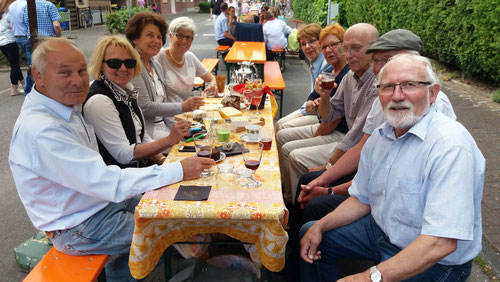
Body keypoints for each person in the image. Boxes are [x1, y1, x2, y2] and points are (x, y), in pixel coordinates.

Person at [9, 37, 215, 281]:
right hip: (77, 227)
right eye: (65, 73)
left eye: (81, 70)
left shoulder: (65, 105)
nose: (77, 80)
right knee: (172, 230)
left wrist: (167, 162)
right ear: (38, 75)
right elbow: (108, 177)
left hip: (99, 203)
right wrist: (177, 170)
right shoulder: (43, 129)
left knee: (175, 211)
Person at [300, 53, 484, 282]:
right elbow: (362, 198)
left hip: (436, 262)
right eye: (387, 87)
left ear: (433, 93)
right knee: (310, 231)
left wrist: (367, 277)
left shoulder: (451, 146)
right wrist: (321, 226)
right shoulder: (381, 136)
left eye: (409, 85)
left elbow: (441, 242)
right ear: (379, 95)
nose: (397, 96)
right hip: (382, 232)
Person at [294, 29, 457, 228]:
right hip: (379, 191)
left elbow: (388, 182)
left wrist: (328, 187)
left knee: (315, 207)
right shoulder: (380, 96)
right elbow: (363, 146)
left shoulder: (437, 114)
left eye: (388, 60)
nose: (379, 69)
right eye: (376, 61)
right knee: (310, 190)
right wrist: (323, 179)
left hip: (402, 217)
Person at [284, 23, 379, 202]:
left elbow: (354, 135)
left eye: (355, 49)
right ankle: (289, 197)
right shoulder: (349, 76)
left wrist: (327, 166)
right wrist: (325, 95)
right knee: (283, 133)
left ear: (374, 49)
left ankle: (298, 201)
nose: (348, 54)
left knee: (295, 156)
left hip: (362, 152)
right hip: (349, 140)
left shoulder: (377, 83)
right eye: (346, 49)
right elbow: (328, 115)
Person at [83, 35, 191, 168]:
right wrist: (169, 140)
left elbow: (142, 138)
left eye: (129, 63)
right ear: (100, 64)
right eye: (114, 63)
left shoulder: (126, 90)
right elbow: (123, 155)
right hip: (119, 181)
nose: (123, 68)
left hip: (138, 172)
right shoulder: (100, 101)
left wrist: (163, 162)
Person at [277, 23, 350, 204]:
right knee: (281, 133)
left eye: (333, 45)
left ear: (344, 45)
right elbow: (313, 102)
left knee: (291, 151)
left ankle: (293, 202)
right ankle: (285, 189)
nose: (328, 50)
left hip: (339, 133)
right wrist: (314, 103)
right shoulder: (329, 70)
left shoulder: (348, 75)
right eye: (325, 46)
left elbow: (332, 121)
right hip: (325, 123)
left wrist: (313, 134)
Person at [125, 12, 204, 140]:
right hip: (147, 133)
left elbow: (163, 103)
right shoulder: (132, 65)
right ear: (135, 38)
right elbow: (145, 107)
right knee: (197, 149)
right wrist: (182, 107)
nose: (156, 41)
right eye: (150, 35)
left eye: (159, 37)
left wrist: (179, 126)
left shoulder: (155, 64)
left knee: (202, 137)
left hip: (164, 126)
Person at [157, 16, 217, 129]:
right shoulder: (158, 58)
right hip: (166, 120)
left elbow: (211, 78)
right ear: (170, 36)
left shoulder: (190, 57)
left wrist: (213, 84)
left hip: (188, 116)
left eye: (189, 38)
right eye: (179, 35)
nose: (184, 41)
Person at [275, 23, 330, 132]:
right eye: (303, 44)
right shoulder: (315, 61)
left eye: (312, 41)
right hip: (312, 107)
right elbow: (312, 93)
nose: (307, 47)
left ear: (321, 42)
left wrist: (303, 112)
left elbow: (317, 96)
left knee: (282, 127)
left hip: (322, 113)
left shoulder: (326, 64)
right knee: (279, 124)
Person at [8, 0, 32, 94]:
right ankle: (29, 89)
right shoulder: (26, 5)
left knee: (29, 63)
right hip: (27, 36)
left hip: (18, 37)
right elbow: (28, 21)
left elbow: (11, 24)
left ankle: (27, 86)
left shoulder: (12, 6)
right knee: (32, 65)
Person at [0, 0, 24, 96]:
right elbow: (13, 26)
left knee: (14, 64)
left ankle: (23, 83)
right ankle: (14, 89)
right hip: (11, 40)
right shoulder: (8, 14)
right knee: (14, 65)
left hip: (2, 43)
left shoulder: (1, 15)